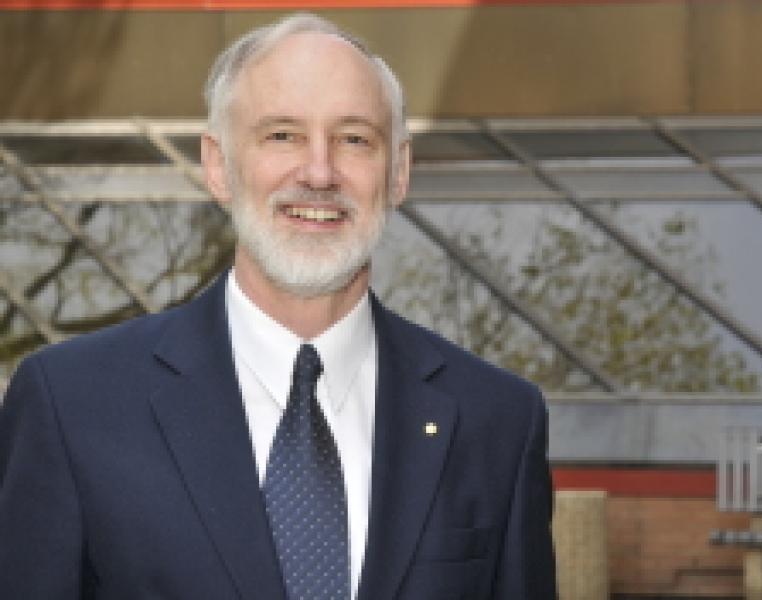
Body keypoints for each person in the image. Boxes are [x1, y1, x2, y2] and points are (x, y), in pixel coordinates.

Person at [0, 13, 556, 600]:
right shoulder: (71, 407)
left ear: (398, 173)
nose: (319, 173)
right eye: (282, 135)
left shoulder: (497, 421)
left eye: (354, 139)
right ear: (218, 165)